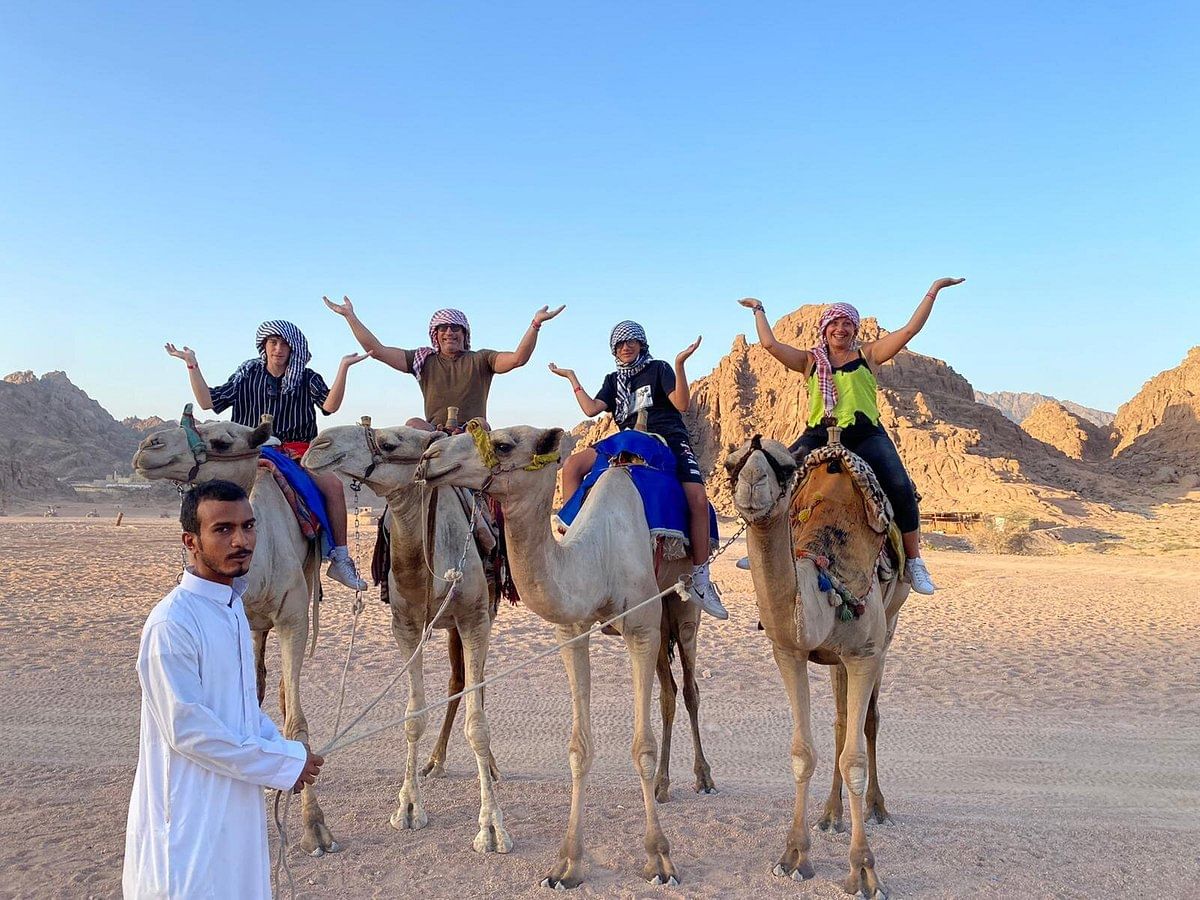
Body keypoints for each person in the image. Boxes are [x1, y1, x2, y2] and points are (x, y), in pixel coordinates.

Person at [122, 479, 323, 900]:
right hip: (188, 825)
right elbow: (190, 731)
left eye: (248, 527)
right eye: (223, 529)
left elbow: (241, 715)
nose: (241, 540)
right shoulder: (171, 625)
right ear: (190, 541)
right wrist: (281, 763)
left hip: (236, 814)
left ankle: (334, 551)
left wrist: (288, 750)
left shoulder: (232, 610)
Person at [738, 277, 966, 594]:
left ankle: (914, 561)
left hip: (865, 433)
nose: (840, 329)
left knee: (899, 484)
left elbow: (909, 330)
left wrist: (934, 290)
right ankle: (766, 547)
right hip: (820, 432)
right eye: (835, 324)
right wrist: (759, 310)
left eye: (847, 324)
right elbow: (770, 345)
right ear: (825, 328)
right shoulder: (808, 361)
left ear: (854, 329)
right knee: (776, 473)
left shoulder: (868, 355)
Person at [165, 320, 368, 590]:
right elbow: (208, 402)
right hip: (248, 451)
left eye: (285, 344)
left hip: (297, 452)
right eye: (273, 343)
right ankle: (199, 559)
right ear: (264, 346)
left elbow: (329, 405)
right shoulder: (248, 373)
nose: (279, 349)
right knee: (203, 493)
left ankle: (340, 558)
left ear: (294, 349)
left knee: (332, 485)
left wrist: (343, 368)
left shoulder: (306, 378)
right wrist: (192, 364)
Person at [548, 320, 729, 620]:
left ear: (642, 344)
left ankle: (700, 578)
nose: (626, 347)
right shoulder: (614, 380)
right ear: (614, 350)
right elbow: (592, 410)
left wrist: (679, 364)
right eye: (620, 344)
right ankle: (578, 544)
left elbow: (681, 403)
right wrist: (571, 377)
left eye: (632, 342)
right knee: (572, 466)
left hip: (667, 437)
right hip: (627, 441)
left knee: (697, 498)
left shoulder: (658, 369)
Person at [323, 295, 565, 430]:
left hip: (471, 434)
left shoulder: (481, 359)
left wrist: (535, 324)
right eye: (444, 328)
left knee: (480, 424)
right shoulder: (423, 360)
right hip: (434, 435)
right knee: (412, 425)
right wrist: (350, 317)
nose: (449, 332)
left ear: (464, 333)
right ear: (435, 334)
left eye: (455, 328)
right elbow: (377, 350)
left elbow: (517, 358)